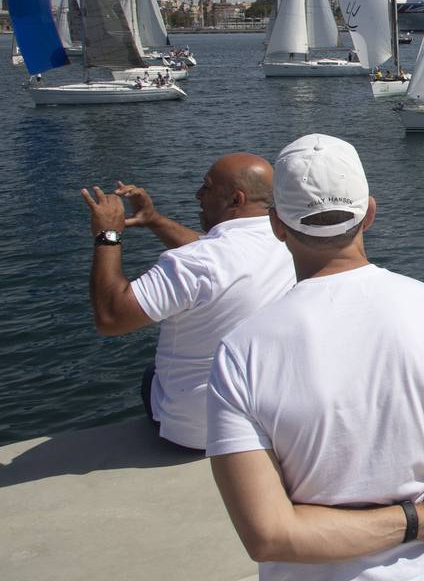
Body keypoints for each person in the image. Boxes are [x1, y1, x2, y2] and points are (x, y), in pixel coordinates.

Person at [208, 133, 424, 581]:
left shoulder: (241, 351)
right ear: (369, 212)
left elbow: (269, 534)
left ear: (277, 225)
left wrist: (414, 518)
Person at [79, 154, 295, 450]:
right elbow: (213, 259)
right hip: (269, 421)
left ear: (236, 199)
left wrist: (108, 234)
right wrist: (154, 221)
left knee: (150, 374)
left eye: (206, 187)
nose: (198, 194)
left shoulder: (195, 263)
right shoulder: (291, 243)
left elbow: (111, 318)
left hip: (198, 433)